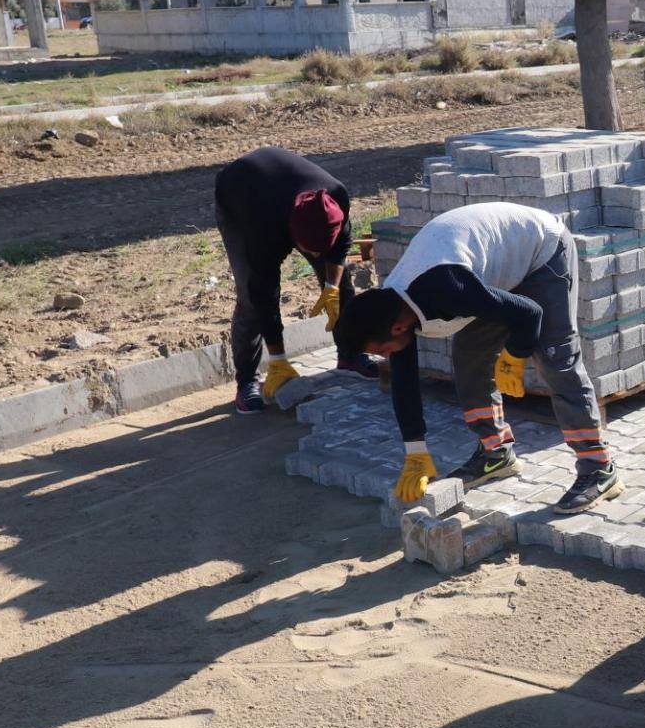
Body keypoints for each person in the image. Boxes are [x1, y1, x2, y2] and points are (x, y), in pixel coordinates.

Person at [338, 202, 623, 514]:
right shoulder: (392, 306)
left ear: (396, 327)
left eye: (382, 350)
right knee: (469, 356)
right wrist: (415, 451)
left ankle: (598, 467)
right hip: (491, 267)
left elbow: (529, 313)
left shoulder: (447, 290)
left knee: (556, 358)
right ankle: (496, 452)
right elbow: (404, 382)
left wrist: (515, 356)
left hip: (542, 250)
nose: (385, 356)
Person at [213, 146, 373, 415]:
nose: (316, 256)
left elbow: (341, 247)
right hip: (239, 193)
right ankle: (247, 383)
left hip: (282, 190)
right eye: (311, 251)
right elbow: (264, 292)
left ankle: (349, 354)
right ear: (292, 237)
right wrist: (278, 359)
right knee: (251, 300)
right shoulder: (264, 227)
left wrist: (331, 288)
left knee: (342, 282)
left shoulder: (336, 197)